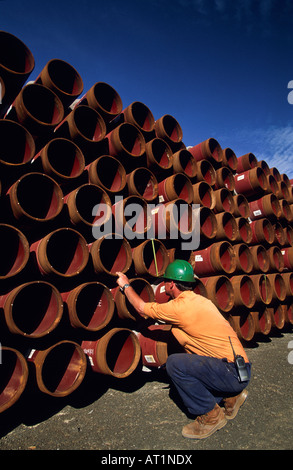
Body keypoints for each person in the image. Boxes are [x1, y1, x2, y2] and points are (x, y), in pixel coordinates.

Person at [116, 259, 251, 440]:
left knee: (175, 363)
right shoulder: (201, 301)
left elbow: (142, 309)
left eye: (165, 281)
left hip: (230, 372)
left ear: (171, 284)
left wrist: (125, 286)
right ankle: (230, 397)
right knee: (189, 358)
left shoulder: (179, 307)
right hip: (240, 370)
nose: (163, 284)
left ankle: (210, 416)